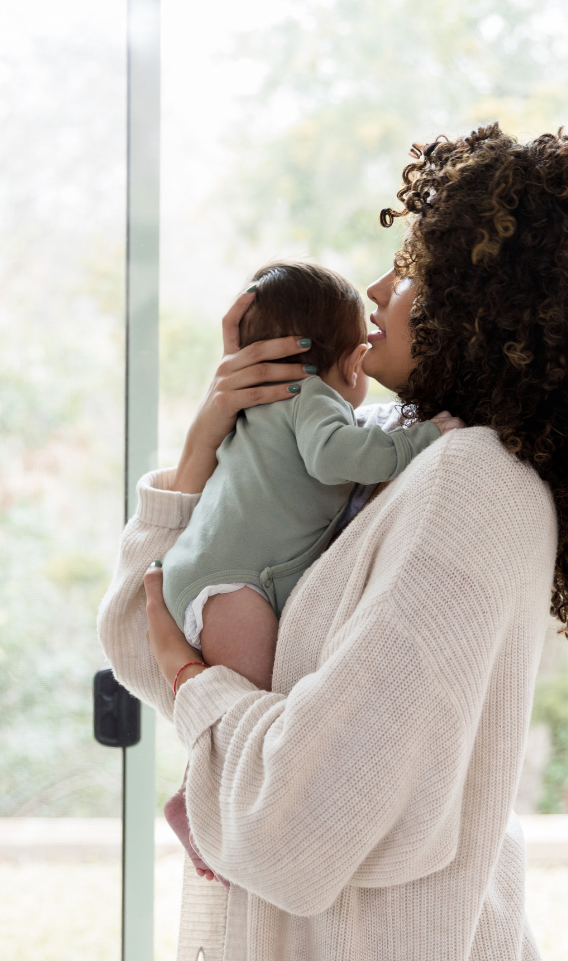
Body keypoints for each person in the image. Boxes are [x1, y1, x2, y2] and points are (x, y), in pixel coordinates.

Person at [98, 123, 568, 960]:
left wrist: (194, 683)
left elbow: (297, 823)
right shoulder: (382, 451)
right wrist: (209, 449)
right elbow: (138, 638)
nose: (376, 288)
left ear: (489, 304)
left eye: (413, 270)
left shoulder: (472, 484)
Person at [156, 259, 462, 882]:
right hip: (228, 586)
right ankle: (200, 801)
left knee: (248, 713)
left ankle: (200, 797)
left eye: (406, 275)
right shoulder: (313, 399)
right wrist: (422, 438)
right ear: (350, 361)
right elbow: (335, 456)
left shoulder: (273, 407)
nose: (381, 288)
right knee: (254, 718)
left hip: (211, 574)